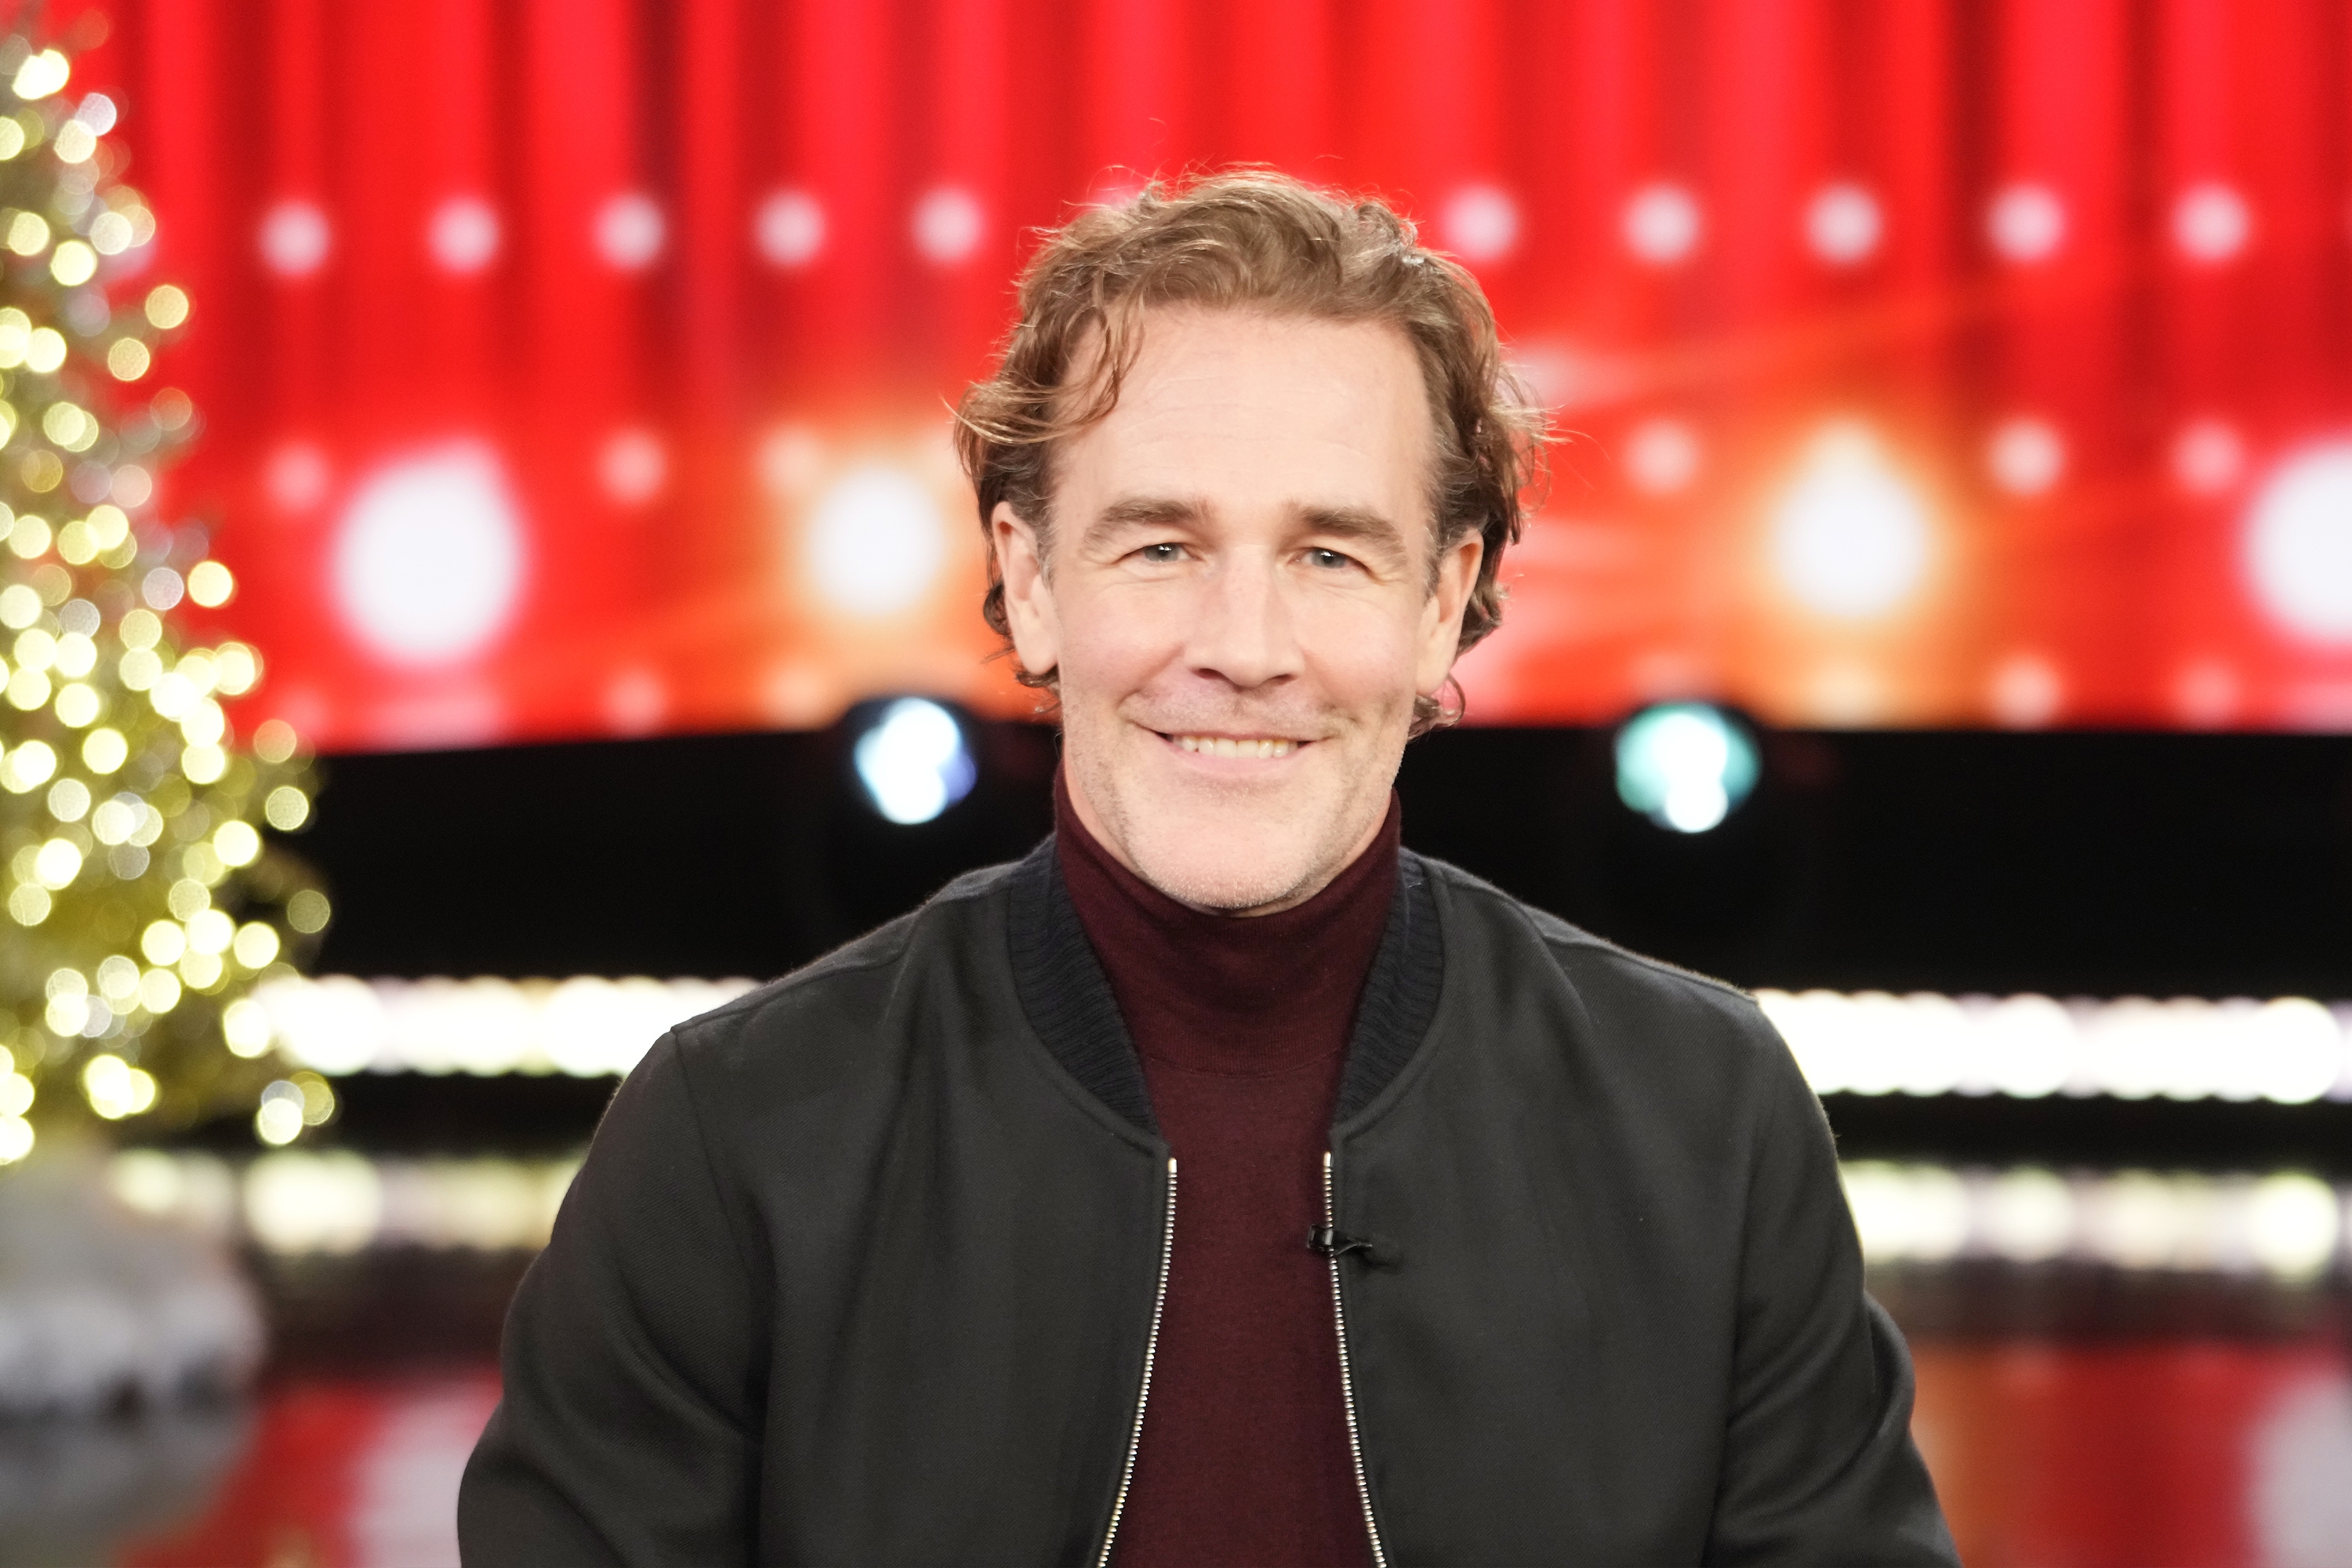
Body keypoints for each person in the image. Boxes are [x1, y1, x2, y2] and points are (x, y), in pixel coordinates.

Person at [459, 170, 1957, 1566]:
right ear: (1031, 583)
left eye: (1330, 555)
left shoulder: (1707, 1118)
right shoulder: (731, 1138)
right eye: (1161, 547)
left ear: (1443, 604)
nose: (1244, 649)